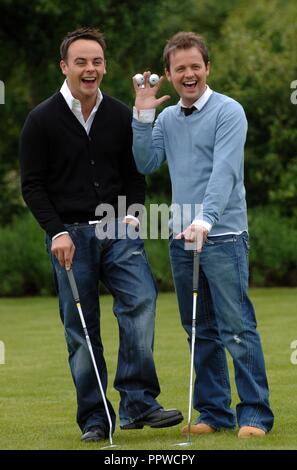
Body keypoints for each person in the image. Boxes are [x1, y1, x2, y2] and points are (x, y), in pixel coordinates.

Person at [19, 27, 183, 443]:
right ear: (65, 67)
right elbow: (32, 185)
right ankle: (96, 417)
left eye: (96, 61)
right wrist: (55, 231)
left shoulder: (119, 114)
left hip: (118, 227)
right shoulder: (41, 119)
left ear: (104, 67)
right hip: (68, 236)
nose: (89, 68)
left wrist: (131, 219)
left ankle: (139, 402)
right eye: (80, 61)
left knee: (141, 303)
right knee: (81, 329)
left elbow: (135, 176)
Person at [132, 31, 274, 438]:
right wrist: (142, 115)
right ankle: (215, 412)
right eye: (181, 69)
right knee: (199, 329)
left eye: (196, 66)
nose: (189, 74)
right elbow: (146, 162)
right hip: (181, 239)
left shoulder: (230, 112)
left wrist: (206, 219)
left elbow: (225, 171)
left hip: (224, 235)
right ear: (169, 74)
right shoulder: (167, 119)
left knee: (237, 327)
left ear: (207, 68)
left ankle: (255, 415)